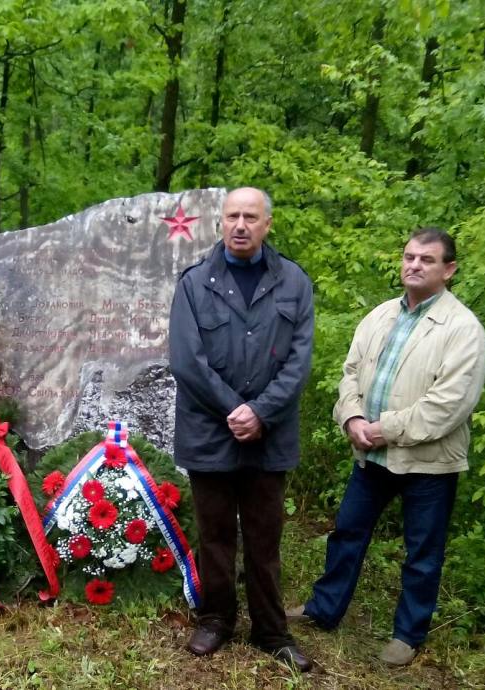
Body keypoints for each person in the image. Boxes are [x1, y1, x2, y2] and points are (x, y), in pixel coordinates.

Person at [287, 228, 485, 666]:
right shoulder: (380, 315)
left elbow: (447, 406)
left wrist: (380, 428)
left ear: (449, 270)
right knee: (347, 533)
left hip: (428, 464)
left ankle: (407, 635)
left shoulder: (462, 329)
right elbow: (350, 373)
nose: (414, 265)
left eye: (426, 260)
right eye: (409, 256)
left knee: (422, 553)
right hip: (371, 455)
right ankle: (324, 609)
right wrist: (352, 418)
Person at [169, 187, 314, 672]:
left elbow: (297, 363)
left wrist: (261, 412)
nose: (240, 225)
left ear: (267, 224)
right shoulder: (194, 283)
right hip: (209, 431)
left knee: (264, 537)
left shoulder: (294, 282)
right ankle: (215, 620)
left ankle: (271, 631)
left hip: (269, 436)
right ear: (219, 223)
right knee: (213, 535)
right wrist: (236, 409)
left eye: (251, 217)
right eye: (232, 216)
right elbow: (187, 361)